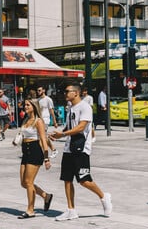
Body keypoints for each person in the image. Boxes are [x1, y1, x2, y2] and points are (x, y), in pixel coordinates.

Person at [50, 83, 112, 221]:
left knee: (84, 180)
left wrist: (63, 134)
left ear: (76, 93)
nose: (65, 93)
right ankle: (71, 210)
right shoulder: (70, 108)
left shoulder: (85, 107)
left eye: (67, 91)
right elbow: (70, 125)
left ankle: (103, 196)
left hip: (81, 148)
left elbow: (81, 127)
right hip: (68, 148)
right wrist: (59, 133)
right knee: (66, 179)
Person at [17, 99, 53, 219]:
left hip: (35, 151)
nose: (25, 107)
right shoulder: (26, 119)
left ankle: (30, 210)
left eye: (28, 105)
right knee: (23, 183)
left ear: (34, 106)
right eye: (25, 105)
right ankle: (45, 196)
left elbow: (43, 140)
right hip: (25, 151)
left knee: (28, 182)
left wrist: (46, 158)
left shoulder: (38, 121)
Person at [37, 86, 58, 158]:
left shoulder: (48, 99)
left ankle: (50, 150)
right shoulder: (38, 100)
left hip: (46, 120)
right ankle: (53, 150)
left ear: (43, 90)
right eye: (38, 90)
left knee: (42, 136)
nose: (38, 92)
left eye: (39, 90)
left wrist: (54, 121)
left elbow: (51, 111)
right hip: (39, 120)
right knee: (43, 137)